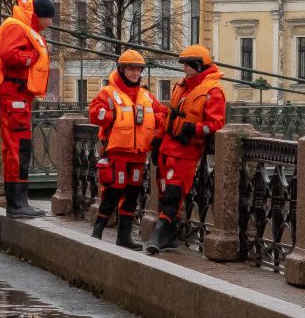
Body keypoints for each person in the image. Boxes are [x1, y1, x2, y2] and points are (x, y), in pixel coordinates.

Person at [148, 44, 228, 255]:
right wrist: (157, 140)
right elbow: (168, 117)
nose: (183, 69)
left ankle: (159, 231)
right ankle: (170, 237)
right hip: (167, 147)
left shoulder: (213, 90)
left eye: (187, 65)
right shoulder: (181, 86)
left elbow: (217, 124)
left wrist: (194, 128)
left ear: (198, 66)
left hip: (186, 151)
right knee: (165, 189)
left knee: (173, 192)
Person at [0, 0, 57, 220]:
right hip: (13, 95)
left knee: (21, 147)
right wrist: (32, 55)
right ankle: (17, 204)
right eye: (49, 21)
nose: (50, 26)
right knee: (17, 147)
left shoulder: (26, 28)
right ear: (40, 17)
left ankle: (20, 202)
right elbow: (9, 55)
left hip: (19, 96)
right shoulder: (16, 26)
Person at [87, 49, 163, 250]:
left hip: (138, 154)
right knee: (113, 191)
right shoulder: (109, 92)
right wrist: (111, 116)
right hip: (117, 152)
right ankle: (97, 232)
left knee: (132, 194)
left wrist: (157, 131)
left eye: (138, 69)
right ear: (121, 70)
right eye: (131, 69)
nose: (135, 73)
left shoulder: (146, 95)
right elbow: (94, 112)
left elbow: (162, 113)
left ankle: (124, 237)